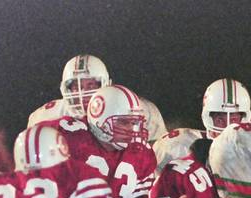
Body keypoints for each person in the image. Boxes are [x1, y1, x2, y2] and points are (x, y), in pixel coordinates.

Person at [27, 54, 167, 143]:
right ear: (65, 88)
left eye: (90, 85)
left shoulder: (136, 109)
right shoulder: (45, 117)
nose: (83, 93)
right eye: (76, 87)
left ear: (107, 84)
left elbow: (159, 155)